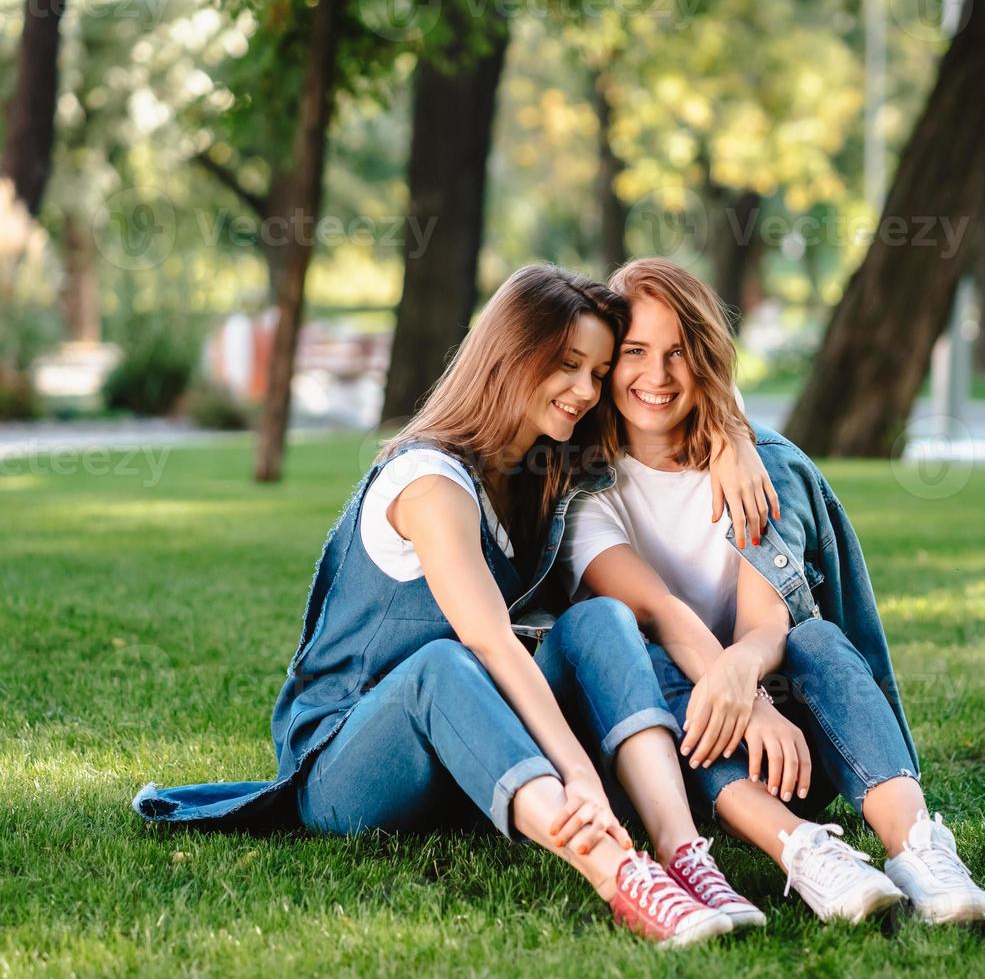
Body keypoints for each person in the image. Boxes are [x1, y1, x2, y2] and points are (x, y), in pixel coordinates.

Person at [130, 265, 777, 947]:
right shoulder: (430, 480)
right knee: (446, 662)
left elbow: (658, 405)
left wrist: (734, 436)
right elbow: (492, 643)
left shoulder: (537, 469)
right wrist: (580, 776)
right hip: (350, 769)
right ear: (510, 356)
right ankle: (620, 875)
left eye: (596, 371)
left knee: (600, 619)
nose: (585, 392)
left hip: (470, 756)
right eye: (566, 365)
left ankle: (682, 857)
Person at [559, 258, 985, 926]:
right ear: (607, 363)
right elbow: (662, 614)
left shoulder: (758, 467)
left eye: (679, 352)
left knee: (812, 636)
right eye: (635, 353)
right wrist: (745, 702)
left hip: (787, 751)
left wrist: (746, 679)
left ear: (706, 358)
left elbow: (768, 622)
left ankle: (918, 850)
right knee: (650, 652)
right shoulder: (588, 493)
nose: (657, 375)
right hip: (672, 760)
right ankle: (803, 852)